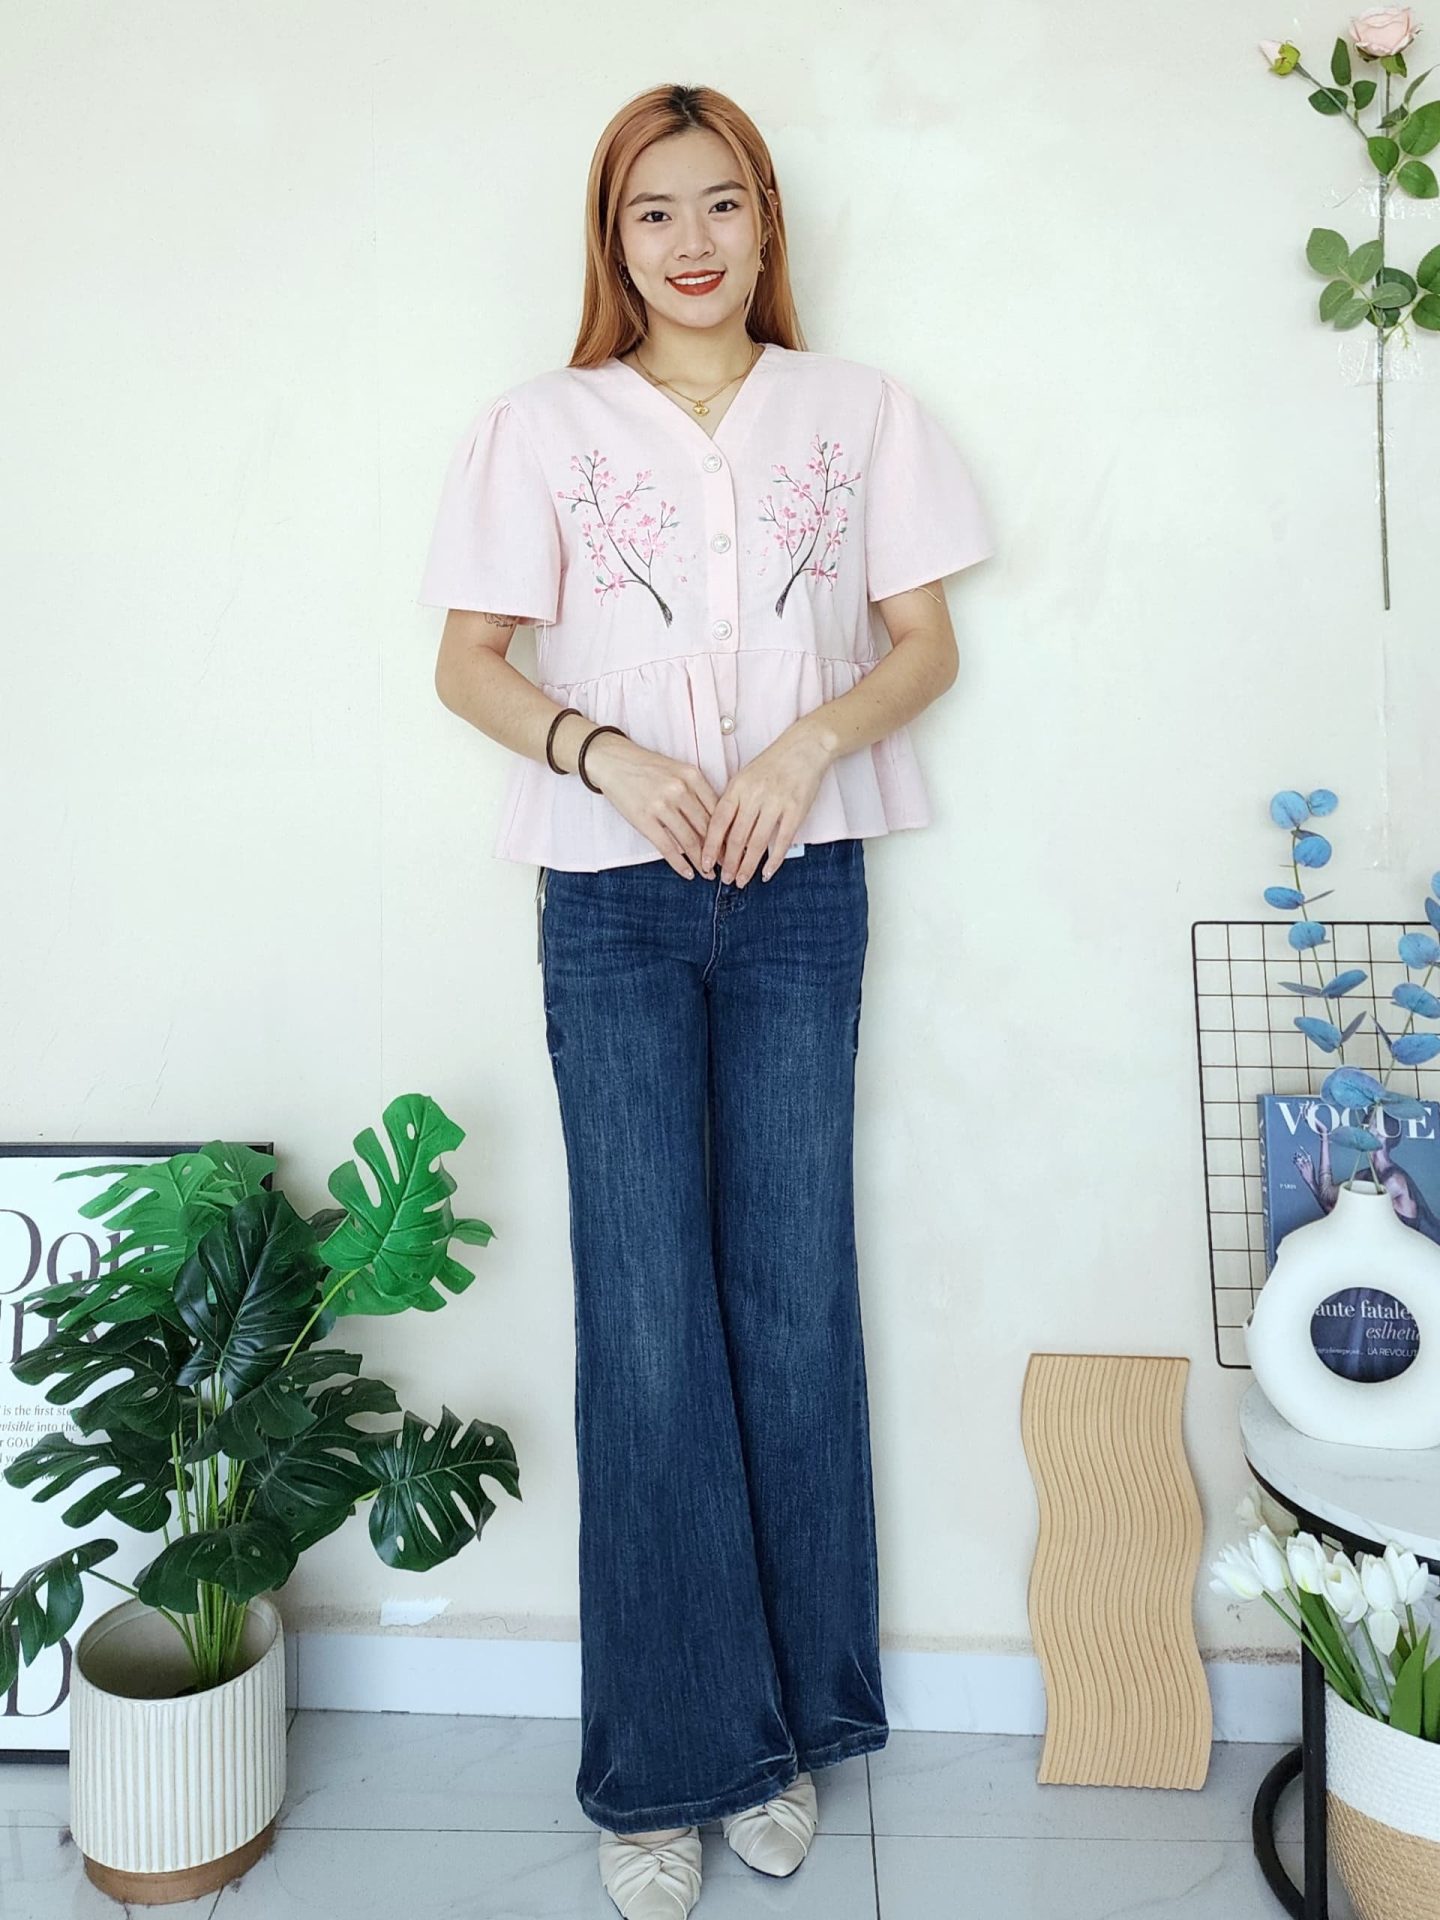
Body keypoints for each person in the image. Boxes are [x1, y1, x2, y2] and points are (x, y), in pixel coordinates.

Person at [417, 81, 995, 1920]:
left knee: (794, 1298)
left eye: (722, 202)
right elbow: (468, 664)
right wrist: (605, 753)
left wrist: (808, 747)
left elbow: (925, 643)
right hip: (612, 904)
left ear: (766, 223)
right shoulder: (540, 425)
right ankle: (665, 1762)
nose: (690, 240)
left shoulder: (860, 410)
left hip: (802, 894)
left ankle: (791, 1734)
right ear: (613, 238)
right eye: (653, 210)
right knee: (649, 1320)